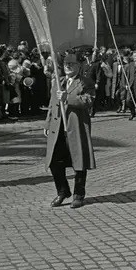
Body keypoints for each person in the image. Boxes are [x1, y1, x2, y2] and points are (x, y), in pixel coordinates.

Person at [44, 52, 96, 209]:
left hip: (76, 127)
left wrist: (68, 98)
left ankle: (78, 195)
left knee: (79, 162)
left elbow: (88, 100)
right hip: (58, 127)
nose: (68, 66)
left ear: (79, 66)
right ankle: (62, 191)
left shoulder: (85, 82)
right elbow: (52, 105)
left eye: (71, 64)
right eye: (66, 63)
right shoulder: (58, 82)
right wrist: (48, 124)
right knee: (54, 161)